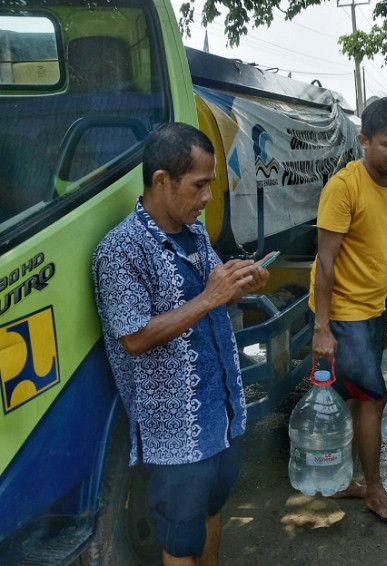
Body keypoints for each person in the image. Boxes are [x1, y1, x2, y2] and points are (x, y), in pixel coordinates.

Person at [92, 122, 275, 566]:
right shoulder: (120, 251)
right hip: (176, 431)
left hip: (221, 414)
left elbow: (210, 297)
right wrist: (210, 297)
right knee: (179, 536)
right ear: (161, 181)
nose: (208, 198)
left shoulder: (193, 234)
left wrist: (240, 285)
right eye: (199, 186)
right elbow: (134, 338)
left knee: (211, 512)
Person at [309, 97, 387, 522]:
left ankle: (343, 478)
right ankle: (373, 489)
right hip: (344, 312)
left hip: (374, 308)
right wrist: (321, 327)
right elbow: (326, 261)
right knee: (373, 398)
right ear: (363, 139)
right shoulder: (344, 187)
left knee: (354, 400)